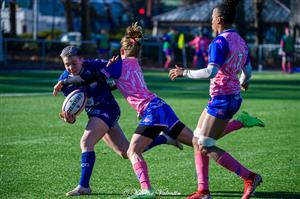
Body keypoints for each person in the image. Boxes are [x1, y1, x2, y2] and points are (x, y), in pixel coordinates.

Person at [69, 22, 264, 199]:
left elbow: (91, 76)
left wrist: (66, 81)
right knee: (200, 142)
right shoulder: (134, 63)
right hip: (163, 108)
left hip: (152, 111)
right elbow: (117, 81)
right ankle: (241, 125)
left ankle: (146, 190)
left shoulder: (117, 64)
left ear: (122, 50)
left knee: (132, 151)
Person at [52, 45, 183, 197]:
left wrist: (113, 63)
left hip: (108, 109)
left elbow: (116, 69)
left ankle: (84, 186)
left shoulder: (94, 64)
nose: (70, 67)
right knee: (126, 152)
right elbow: (75, 108)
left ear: (82, 59)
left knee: (86, 142)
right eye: (66, 64)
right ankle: (165, 138)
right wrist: (70, 118)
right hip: (94, 114)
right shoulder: (63, 80)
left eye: (73, 63)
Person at [169, 0, 263, 198]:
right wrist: (243, 82)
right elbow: (247, 72)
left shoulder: (219, 42)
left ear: (219, 19)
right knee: (197, 140)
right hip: (229, 97)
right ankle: (203, 191)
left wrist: (184, 72)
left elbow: (210, 72)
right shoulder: (240, 41)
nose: (210, 21)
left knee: (205, 144)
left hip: (223, 99)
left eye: (212, 18)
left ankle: (249, 177)